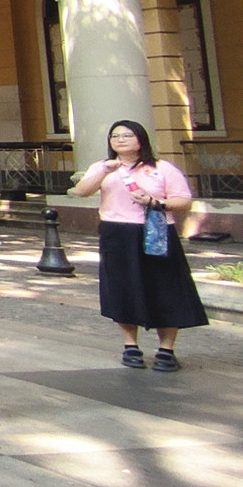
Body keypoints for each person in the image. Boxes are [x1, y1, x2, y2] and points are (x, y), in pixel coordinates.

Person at [71, 119, 206, 371]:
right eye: (115, 136)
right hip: (117, 233)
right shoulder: (103, 167)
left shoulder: (162, 168)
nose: (120, 140)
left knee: (165, 287)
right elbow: (81, 191)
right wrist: (104, 170)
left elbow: (183, 200)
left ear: (140, 139)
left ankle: (166, 350)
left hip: (156, 231)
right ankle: (130, 346)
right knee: (122, 288)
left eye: (127, 135)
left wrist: (156, 202)